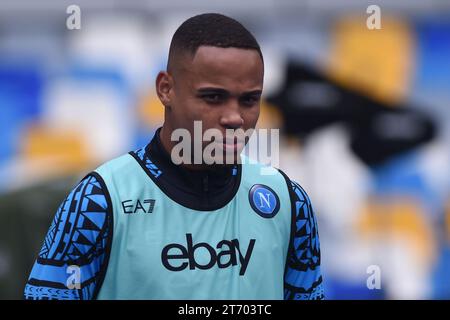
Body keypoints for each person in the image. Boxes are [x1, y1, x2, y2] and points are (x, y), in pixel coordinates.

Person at [24, 13, 323, 300]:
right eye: (213, 97)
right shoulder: (98, 203)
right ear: (165, 89)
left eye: (248, 100)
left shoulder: (288, 201)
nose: (234, 117)